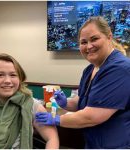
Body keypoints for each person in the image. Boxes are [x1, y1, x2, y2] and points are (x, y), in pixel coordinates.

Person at [35, 16, 130, 148]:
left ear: (109, 37)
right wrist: (66, 102)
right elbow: (83, 100)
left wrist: (57, 119)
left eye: (94, 39)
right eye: (83, 42)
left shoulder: (119, 69)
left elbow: (91, 116)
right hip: (93, 143)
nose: (89, 46)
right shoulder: (90, 69)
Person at [0, 53, 59, 149]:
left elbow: (52, 138)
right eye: (0, 75)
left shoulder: (31, 105)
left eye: (13, 75)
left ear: (20, 78)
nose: (8, 80)